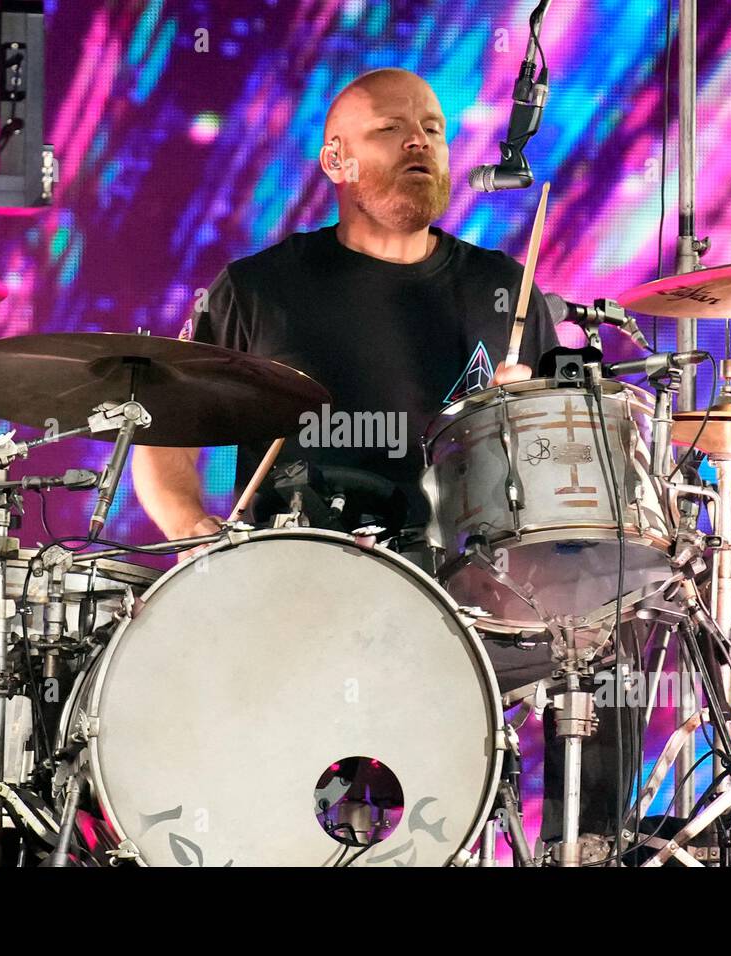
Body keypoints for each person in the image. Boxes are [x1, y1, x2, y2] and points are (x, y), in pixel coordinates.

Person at [131, 67, 630, 852]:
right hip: (295, 599)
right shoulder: (260, 288)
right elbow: (165, 441)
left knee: (601, 653)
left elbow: (539, 483)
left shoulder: (505, 291)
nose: (418, 142)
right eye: (390, 129)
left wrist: (516, 415)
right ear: (336, 160)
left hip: (459, 605)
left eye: (432, 127)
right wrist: (202, 543)